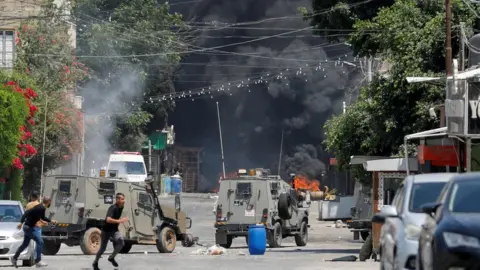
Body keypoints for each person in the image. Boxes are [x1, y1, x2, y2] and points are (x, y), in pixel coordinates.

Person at [11, 196, 56, 268]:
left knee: (24, 244)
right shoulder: (40, 207)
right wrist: (21, 222)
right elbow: (26, 213)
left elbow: (42, 217)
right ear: (49, 202)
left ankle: (14, 258)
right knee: (40, 241)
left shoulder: (41, 207)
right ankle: (38, 261)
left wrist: (50, 221)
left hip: (28, 227)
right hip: (29, 228)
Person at [92, 193, 128, 270]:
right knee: (102, 249)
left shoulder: (121, 207)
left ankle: (111, 258)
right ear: (117, 200)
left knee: (121, 242)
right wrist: (120, 220)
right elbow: (108, 220)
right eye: (122, 199)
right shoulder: (113, 208)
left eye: (124, 199)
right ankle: (95, 262)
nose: (124, 201)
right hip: (106, 230)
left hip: (114, 230)